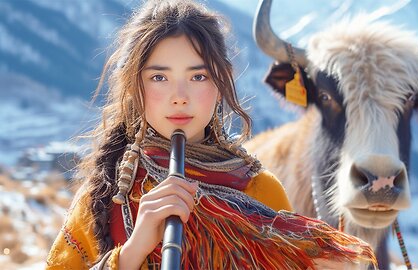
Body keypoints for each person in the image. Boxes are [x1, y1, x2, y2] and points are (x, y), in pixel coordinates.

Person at [46, 0, 376, 269]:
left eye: (199, 77)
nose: (180, 96)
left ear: (221, 83)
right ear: (135, 85)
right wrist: (133, 252)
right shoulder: (104, 196)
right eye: (159, 78)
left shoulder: (260, 191)